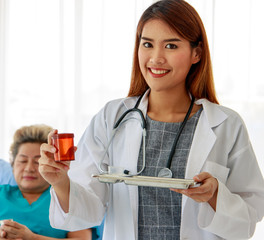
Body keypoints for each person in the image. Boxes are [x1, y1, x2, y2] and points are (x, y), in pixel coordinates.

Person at [38, 0, 264, 239]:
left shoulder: (226, 124)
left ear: (196, 53)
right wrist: (60, 182)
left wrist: (215, 194)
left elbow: (249, 217)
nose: (156, 58)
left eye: (171, 46)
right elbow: (87, 213)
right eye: (147, 44)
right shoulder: (111, 117)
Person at [0, 124, 92, 240]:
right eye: (22, 161)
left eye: (38, 162)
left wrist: (33, 238)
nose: (29, 168)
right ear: (13, 164)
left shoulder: (67, 198)